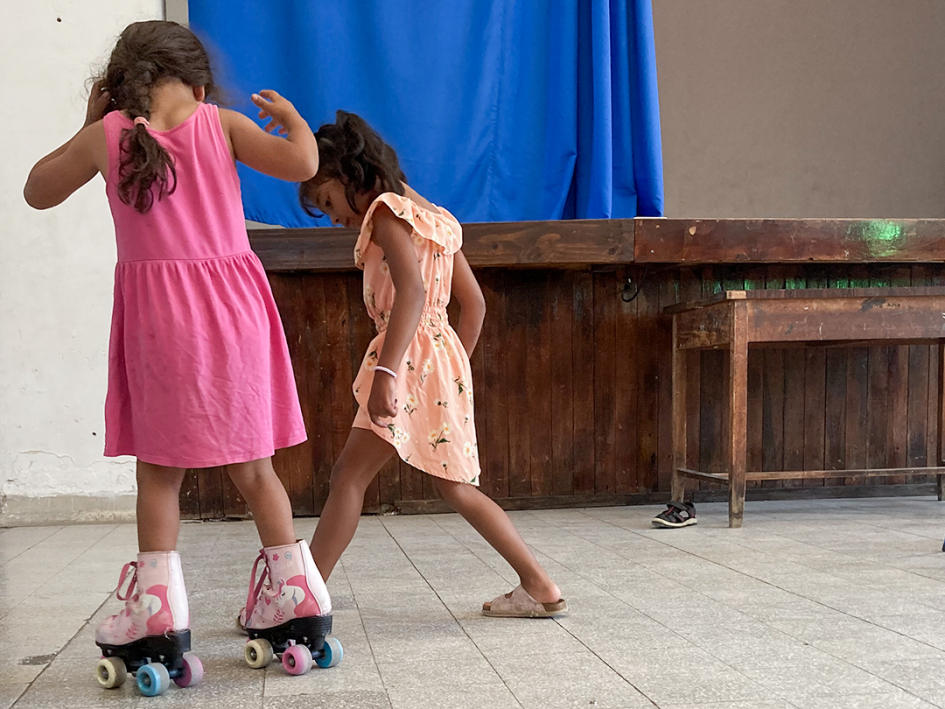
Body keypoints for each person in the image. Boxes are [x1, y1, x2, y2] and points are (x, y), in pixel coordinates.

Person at [24, 20, 332, 691]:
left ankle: (157, 611)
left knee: (161, 472)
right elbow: (303, 165)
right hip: (235, 312)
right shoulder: (223, 124)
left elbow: (36, 190)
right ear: (197, 82)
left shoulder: (107, 136)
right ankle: (296, 598)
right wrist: (294, 121)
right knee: (255, 465)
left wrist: (86, 127)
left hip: (161, 322)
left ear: (120, 86)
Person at [299, 110, 567, 618]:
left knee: (348, 478)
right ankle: (539, 585)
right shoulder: (440, 220)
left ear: (348, 173)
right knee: (454, 485)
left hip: (402, 360)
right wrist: (447, 374)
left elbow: (412, 294)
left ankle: (301, 599)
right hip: (437, 361)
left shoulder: (385, 212)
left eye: (328, 202)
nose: (333, 218)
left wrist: (389, 372)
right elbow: (475, 306)